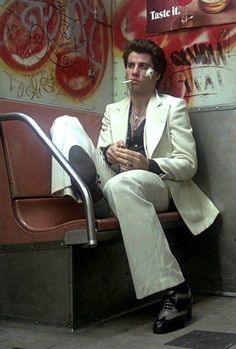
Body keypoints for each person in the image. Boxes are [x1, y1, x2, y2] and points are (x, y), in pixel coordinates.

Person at [50, 38, 219, 334]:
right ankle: (87, 188)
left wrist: (148, 164)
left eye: (143, 67)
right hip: (117, 180)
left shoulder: (172, 107)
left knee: (123, 186)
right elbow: (104, 146)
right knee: (64, 122)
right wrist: (107, 152)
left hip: (158, 185)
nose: (135, 72)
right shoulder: (113, 110)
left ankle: (176, 289)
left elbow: (187, 163)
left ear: (156, 74)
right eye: (130, 65)